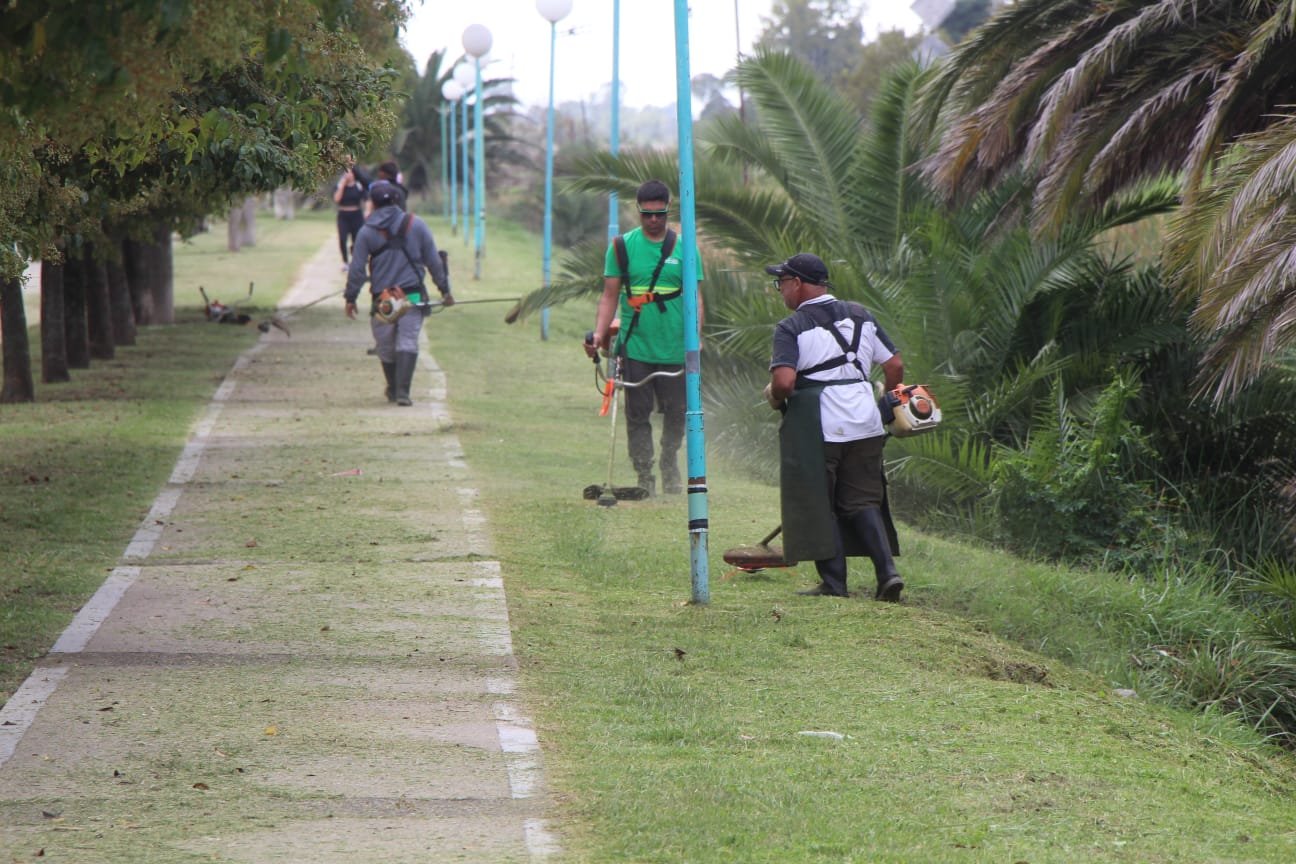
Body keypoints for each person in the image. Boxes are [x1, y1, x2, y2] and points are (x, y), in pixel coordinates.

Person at [764, 253, 905, 601]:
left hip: (820, 425)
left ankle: (834, 583)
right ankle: (887, 574)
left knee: (819, 501)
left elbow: (784, 382)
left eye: (782, 283)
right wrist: (885, 404)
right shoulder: (861, 315)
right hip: (866, 421)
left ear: (798, 283)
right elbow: (894, 365)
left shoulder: (791, 327)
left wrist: (774, 396)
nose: (781, 290)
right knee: (863, 501)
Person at [588, 180, 703, 496]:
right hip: (635, 346)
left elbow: (695, 297)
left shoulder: (686, 249)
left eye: (660, 214)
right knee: (637, 414)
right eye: (647, 214)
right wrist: (599, 334)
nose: (653, 220)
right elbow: (609, 296)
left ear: (669, 210)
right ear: (638, 211)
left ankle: (669, 462)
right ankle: (644, 474)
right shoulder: (621, 247)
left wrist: (695, 338)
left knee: (677, 413)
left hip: (675, 348)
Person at [344, 180, 453, 406]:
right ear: (396, 200)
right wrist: (444, 290)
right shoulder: (417, 224)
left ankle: (393, 388)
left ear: (372, 203)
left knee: (385, 345)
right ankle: (403, 392)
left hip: (383, 299)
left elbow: (357, 269)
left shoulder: (366, 232)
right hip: (412, 295)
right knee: (408, 340)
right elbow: (434, 261)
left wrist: (350, 297)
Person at [334, 158, 368, 272]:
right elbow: (336, 199)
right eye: (345, 173)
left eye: (349, 172)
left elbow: (366, 199)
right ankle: (345, 262)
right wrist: (343, 185)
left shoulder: (358, 185)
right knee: (342, 239)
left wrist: (367, 211)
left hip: (356, 215)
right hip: (343, 215)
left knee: (356, 239)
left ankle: (355, 261)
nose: (347, 175)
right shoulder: (340, 185)